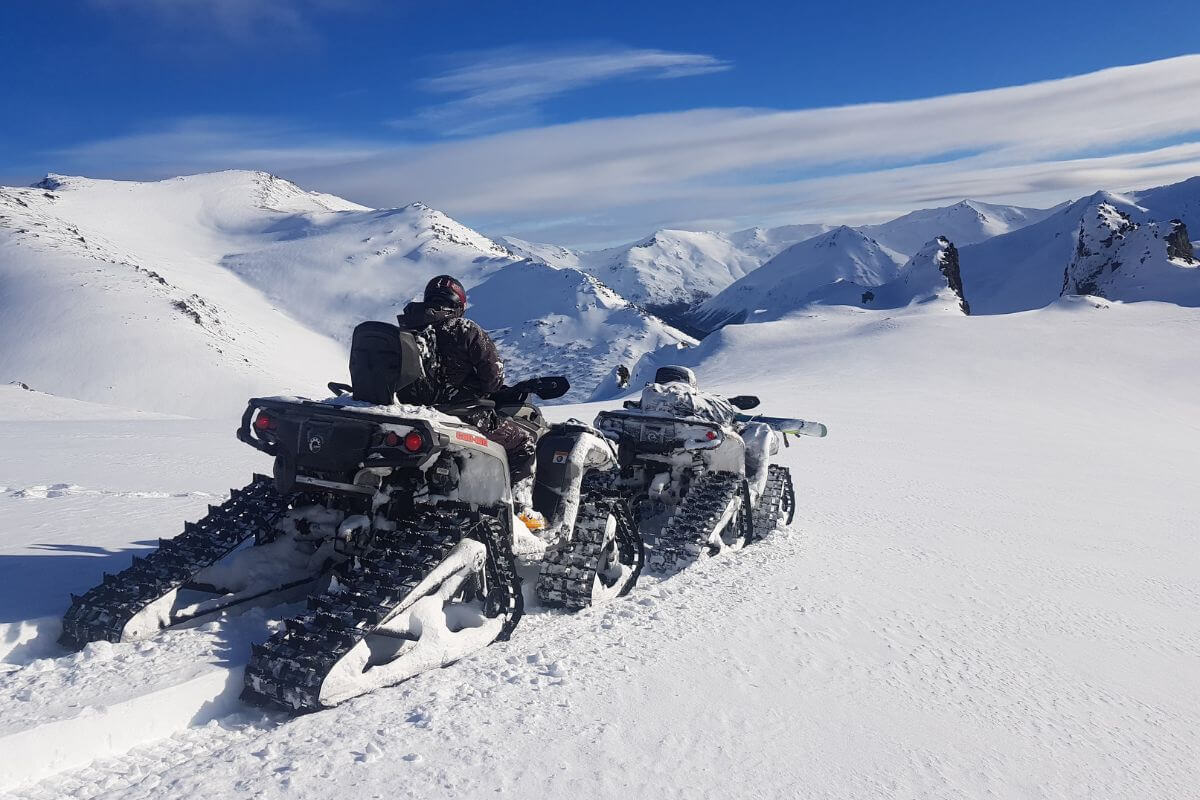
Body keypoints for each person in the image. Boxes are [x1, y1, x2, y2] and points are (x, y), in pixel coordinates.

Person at [398, 275, 537, 481]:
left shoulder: (407, 329)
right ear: (459, 303)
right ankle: (516, 506)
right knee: (523, 443)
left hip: (413, 411)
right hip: (464, 413)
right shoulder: (464, 329)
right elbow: (493, 377)